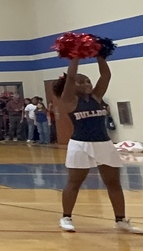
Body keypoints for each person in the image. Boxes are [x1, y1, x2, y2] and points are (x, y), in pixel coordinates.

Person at [54, 57, 141, 233]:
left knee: (113, 183)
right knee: (74, 182)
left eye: (88, 81)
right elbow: (71, 76)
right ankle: (66, 217)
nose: (87, 84)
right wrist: (75, 57)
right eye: (81, 82)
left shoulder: (96, 97)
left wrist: (100, 55)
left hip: (104, 144)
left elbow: (106, 75)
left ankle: (121, 220)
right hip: (80, 145)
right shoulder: (69, 100)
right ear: (72, 85)